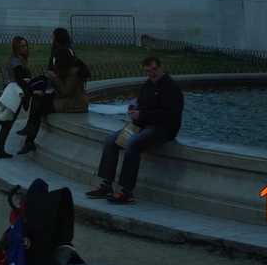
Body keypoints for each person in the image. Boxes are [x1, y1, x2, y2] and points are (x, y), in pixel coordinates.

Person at [87, 55, 182, 205]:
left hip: (162, 129)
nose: (152, 73)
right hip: (141, 125)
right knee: (111, 140)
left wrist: (142, 114)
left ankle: (126, 191)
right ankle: (107, 185)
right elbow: (141, 104)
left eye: (154, 69)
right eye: (148, 71)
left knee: (132, 143)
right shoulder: (147, 85)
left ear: (160, 67)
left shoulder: (171, 88)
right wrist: (134, 111)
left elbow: (170, 115)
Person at [17, 29, 93, 155]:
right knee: (37, 99)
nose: (55, 65)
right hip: (64, 99)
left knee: (39, 106)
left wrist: (54, 78)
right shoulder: (68, 67)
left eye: (57, 62)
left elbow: (65, 92)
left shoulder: (75, 72)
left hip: (75, 103)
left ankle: (29, 139)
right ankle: (29, 140)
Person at [0, 36, 33, 159]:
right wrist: (28, 95)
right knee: (7, 122)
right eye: (22, 46)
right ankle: (0, 151)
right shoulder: (16, 62)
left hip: (14, 94)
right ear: (16, 47)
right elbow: (20, 80)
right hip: (13, 95)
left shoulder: (17, 60)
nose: (25, 48)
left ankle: (0, 150)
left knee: (7, 122)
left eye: (25, 45)